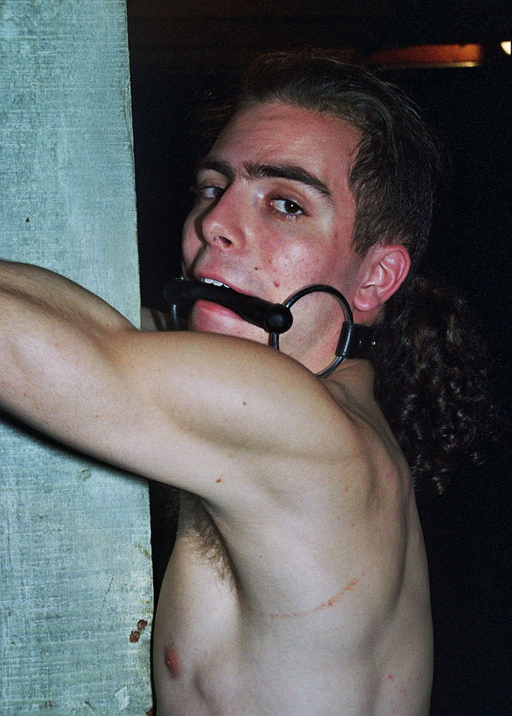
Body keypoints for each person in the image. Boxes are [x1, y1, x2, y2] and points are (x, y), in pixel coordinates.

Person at [0, 50, 491, 715]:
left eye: (285, 204)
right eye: (212, 189)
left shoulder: (301, 424)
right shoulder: (333, 414)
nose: (214, 224)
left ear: (376, 278)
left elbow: (42, 349)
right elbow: (96, 324)